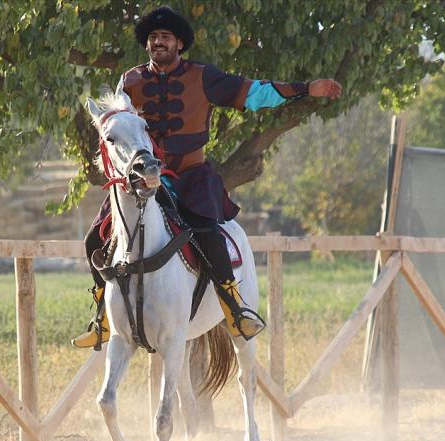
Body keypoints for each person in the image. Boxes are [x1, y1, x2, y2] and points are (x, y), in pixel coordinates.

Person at [73, 5, 343, 349]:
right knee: (95, 239)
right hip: (143, 179)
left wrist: (307, 88)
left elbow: (254, 93)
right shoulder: (129, 81)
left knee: (205, 229)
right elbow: (119, 125)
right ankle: (102, 317)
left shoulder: (203, 76)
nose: (158, 42)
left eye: (165, 38)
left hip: (190, 175)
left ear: (180, 44)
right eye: (153, 38)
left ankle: (234, 308)